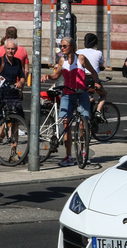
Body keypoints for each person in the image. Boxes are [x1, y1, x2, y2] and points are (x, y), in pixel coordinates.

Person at [42, 37, 99, 167]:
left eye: (64, 46)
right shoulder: (62, 60)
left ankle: (84, 151)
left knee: (82, 125)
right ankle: (68, 156)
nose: (62, 48)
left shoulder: (81, 59)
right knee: (66, 124)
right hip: (67, 94)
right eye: (61, 46)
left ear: (73, 47)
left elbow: (93, 72)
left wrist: (96, 83)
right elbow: (56, 75)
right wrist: (48, 76)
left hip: (81, 93)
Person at [0, 38, 26, 163]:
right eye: (8, 48)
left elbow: (23, 78)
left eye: (13, 49)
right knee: (1, 125)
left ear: (16, 49)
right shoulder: (0, 61)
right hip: (2, 96)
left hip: (14, 96)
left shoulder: (18, 62)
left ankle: (13, 153)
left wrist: (20, 83)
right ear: (5, 49)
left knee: (16, 125)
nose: (11, 51)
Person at [76, 33, 107, 117]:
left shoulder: (78, 52)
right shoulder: (98, 53)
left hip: (81, 78)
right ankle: (98, 111)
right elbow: (102, 63)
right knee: (103, 94)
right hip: (92, 78)